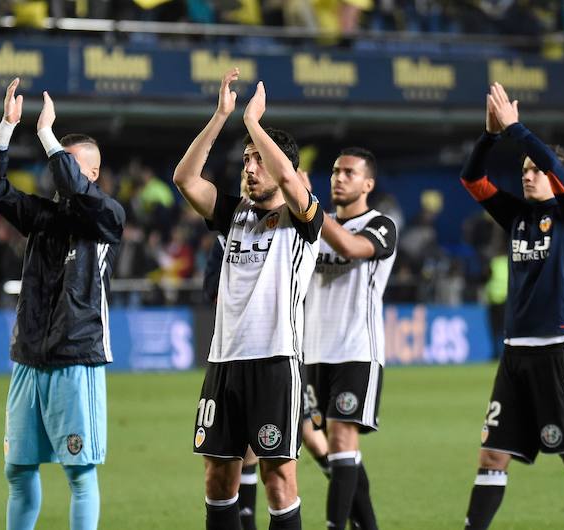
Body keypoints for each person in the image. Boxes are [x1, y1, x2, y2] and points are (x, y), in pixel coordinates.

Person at [173, 69, 322, 530]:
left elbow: (292, 183)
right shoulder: (233, 213)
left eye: (258, 160)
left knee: (279, 480)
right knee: (218, 479)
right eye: (245, 160)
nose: (249, 169)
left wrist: (254, 124)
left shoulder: (303, 218)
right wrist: (222, 116)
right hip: (224, 362)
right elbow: (184, 178)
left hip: (275, 361)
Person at [0, 79, 125, 530]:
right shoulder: (43, 217)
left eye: (70, 163)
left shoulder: (107, 218)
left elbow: (74, 187)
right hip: (29, 357)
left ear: (93, 174)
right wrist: (7, 127)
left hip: (76, 357)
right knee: (18, 471)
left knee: (79, 473)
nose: (58, 170)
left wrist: (46, 134)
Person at [460, 83, 564, 530]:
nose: (527, 175)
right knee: (492, 455)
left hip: (556, 349)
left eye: (535, 170)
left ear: (558, 179)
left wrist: (517, 129)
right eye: (523, 170)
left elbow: (553, 164)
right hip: (514, 352)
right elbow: (472, 180)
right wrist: (490, 136)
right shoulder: (517, 215)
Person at [302, 148, 397, 530]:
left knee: (342, 439)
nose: (339, 178)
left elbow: (350, 247)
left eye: (349, 173)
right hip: (313, 353)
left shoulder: (381, 225)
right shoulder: (313, 225)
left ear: (367, 184)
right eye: (335, 171)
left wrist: (309, 207)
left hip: (357, 351)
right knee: (337, 448)